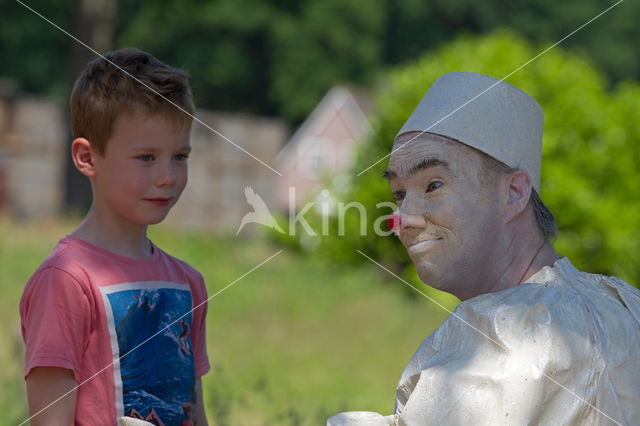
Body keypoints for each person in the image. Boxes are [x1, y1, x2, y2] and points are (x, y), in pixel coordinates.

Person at [330, 72, 640, 425]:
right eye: (400, 194)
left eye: (433, 185)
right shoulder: (626, 305)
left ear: (514, 193)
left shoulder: (504, 334)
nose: (404, 217)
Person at [19, 48, 210, 426]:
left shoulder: (189, 283)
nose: (167, 176)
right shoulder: (65, 282)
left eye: (180, 156)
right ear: (87, 158)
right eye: (146, 158)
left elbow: (196, 415)